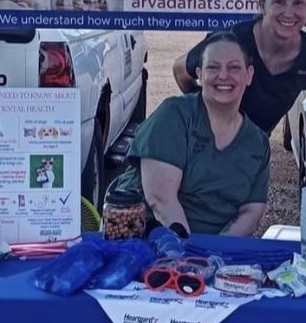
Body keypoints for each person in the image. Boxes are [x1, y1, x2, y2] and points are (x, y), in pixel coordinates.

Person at [113, 32, 270, 236]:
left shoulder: (257, 143)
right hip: (152, 237)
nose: (223, 75)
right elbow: (161, 201)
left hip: (216, 248)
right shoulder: (173, 115)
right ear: (200, 74)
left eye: (234, 68)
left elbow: (251, 212)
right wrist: (190, 252)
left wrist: (218, 249)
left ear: (249, 75)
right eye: (213, 67)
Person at [172, 0, 306, 134]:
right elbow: (180, 70)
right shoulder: (232, 40)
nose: (289, 12)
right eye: (279, 3)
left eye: (298, 3)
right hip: (209, 140)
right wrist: (206, 112)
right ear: (262, 5)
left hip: (255, 146)